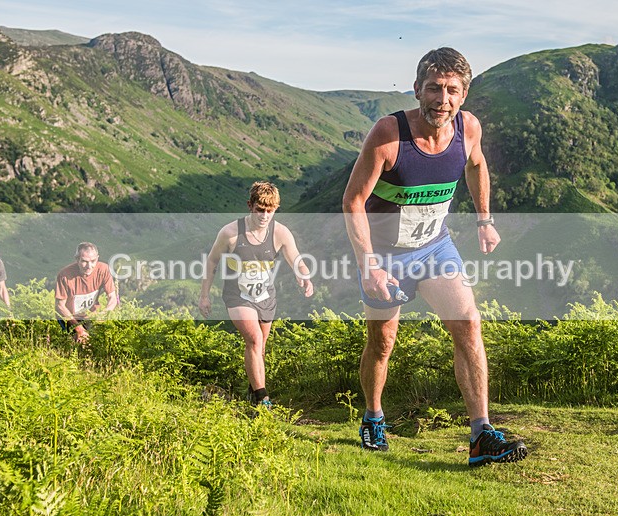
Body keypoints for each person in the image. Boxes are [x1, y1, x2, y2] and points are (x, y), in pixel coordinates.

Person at [342, 47, 527, 467]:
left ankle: (481, 433)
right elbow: (353, 201)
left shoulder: (469, 129)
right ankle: (373, 416)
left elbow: (477, 166)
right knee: (382, 343)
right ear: (417, 90)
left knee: (469, 325)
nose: (441, 99)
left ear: (464, 96)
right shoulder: (389, 136)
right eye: (433, 88)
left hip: (435, 248)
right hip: (386, 257)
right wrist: (369, 263)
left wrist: (484, 219)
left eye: (452, 91)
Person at [199, 181, 314, 407]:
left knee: (260, 348)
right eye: (260, 210)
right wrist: (204, 295)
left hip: (265, 296)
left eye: (270, 210)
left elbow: (296, 258)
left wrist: (305, 276)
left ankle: (252, 395)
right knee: (254, 339)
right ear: (250, 206)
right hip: (237, 295)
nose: (264, 215)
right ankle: (263, 399)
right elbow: (212, 261)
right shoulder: (230, 233)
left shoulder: (280, 232)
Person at [55, 242, 118, 343]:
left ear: (97, 258)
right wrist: (78, 328)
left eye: (93, 261)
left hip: (91, 316)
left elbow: (112, 297)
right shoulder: (64, 275)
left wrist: (105, 313)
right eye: (84, 261)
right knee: (78, 342)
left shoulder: (104, 270)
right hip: (69, 317)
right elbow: (60, 306)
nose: (89, 266)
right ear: (77, 259)